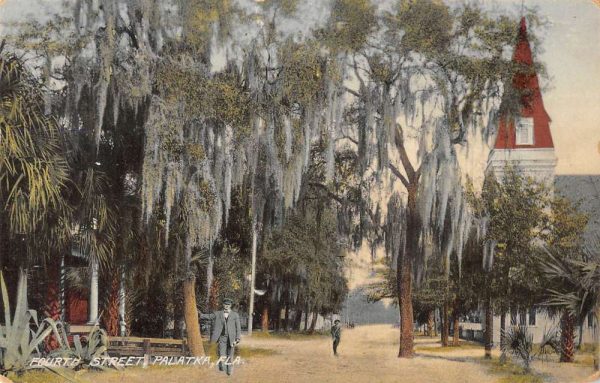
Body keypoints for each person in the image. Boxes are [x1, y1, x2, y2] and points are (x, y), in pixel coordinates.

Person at [200, 298, 242, 375]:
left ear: (231, 305)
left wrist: (238, 338)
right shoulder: (217, 313)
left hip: (231, 338)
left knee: (230, 354)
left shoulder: (235, 315)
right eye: (225, 304)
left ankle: (229, 370)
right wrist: (200, 315)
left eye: (228, 305)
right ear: (223, 305)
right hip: (222, 337)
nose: (226, 306)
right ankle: (221, 366)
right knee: (221, 353)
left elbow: (238, 328)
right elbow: (209, 316)